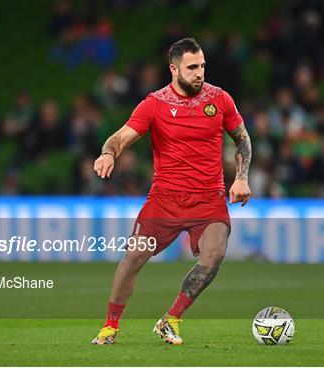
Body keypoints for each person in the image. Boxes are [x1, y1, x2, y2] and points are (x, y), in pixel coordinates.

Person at [91, 38, 252, 345]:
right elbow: (120, 137)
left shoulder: (220, 99)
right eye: (192, 67)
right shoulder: (155, 103)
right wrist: (108, 154)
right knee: (135, 256)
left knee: (214, 255)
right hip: (164, 200)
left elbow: (242, 139)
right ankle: (110, 326)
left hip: (208, 199)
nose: (199, 73)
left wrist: (241, 177)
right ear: (174, 69)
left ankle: (172, 318)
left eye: (202, 65)